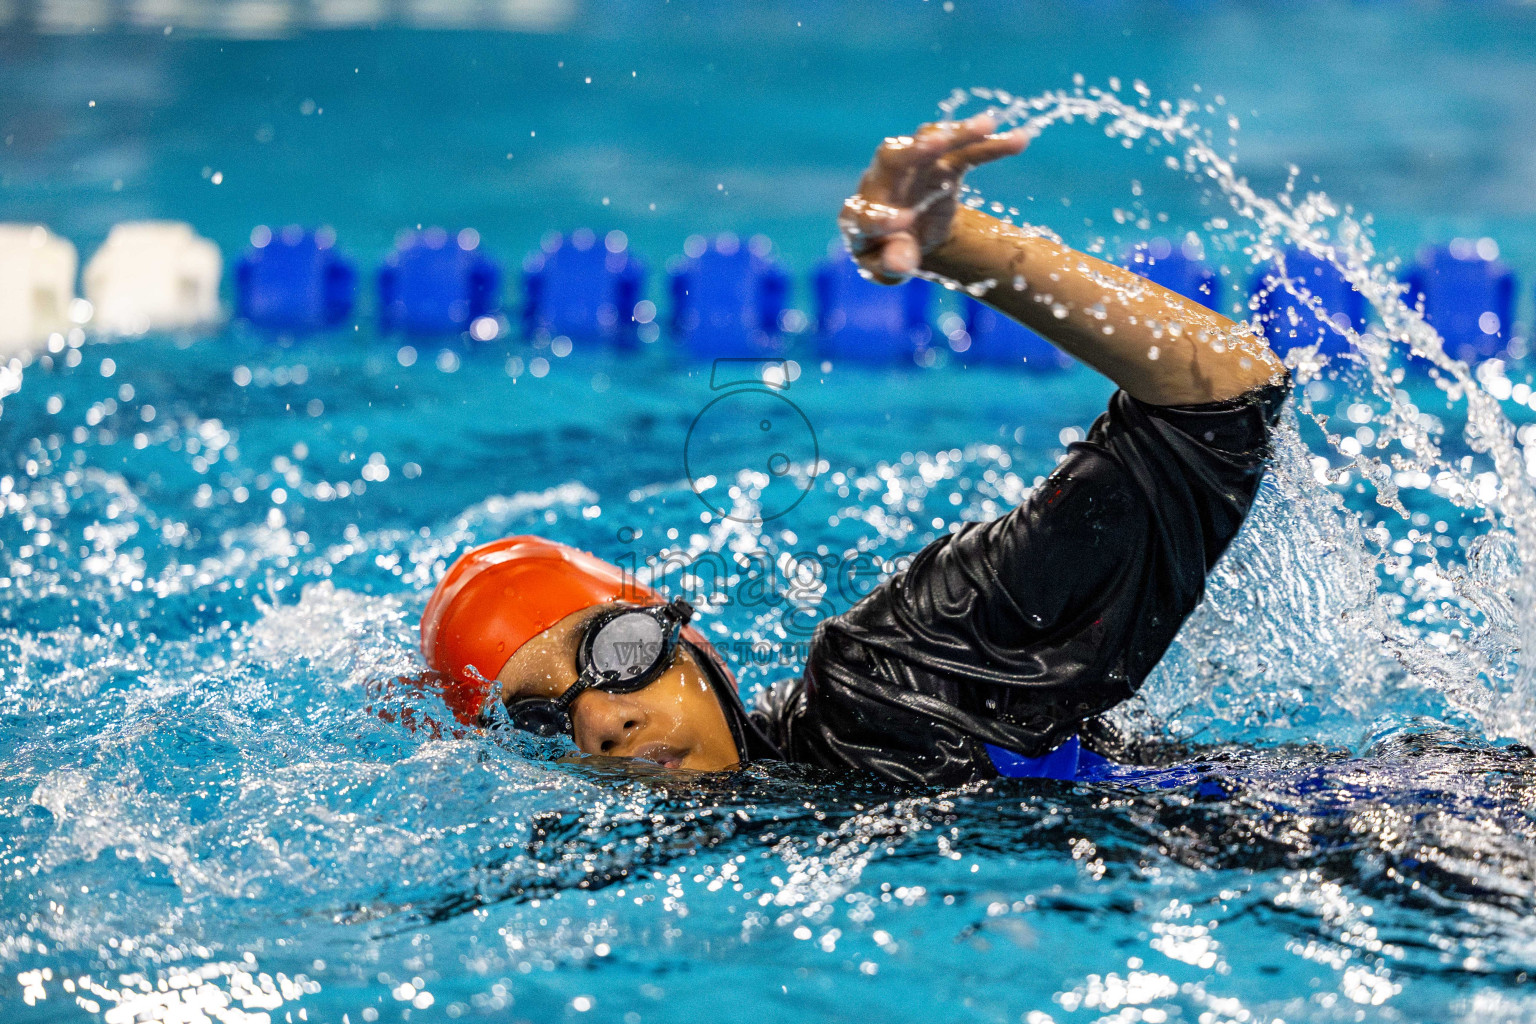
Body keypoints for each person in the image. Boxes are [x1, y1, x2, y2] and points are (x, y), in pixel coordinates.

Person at [417, 114, 1289, 786]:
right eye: (540, 722)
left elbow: (1223, 392)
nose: (603, 722)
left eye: (618, 653)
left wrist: (958, 245)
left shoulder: (886, 686)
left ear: (694, 639)